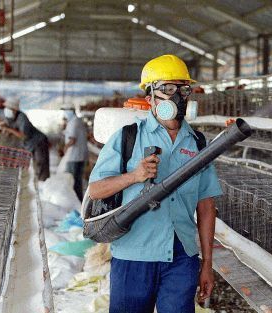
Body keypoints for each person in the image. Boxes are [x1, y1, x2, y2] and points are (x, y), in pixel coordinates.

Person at [89, 54, 222, 313]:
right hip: (134, 254)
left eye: (184, 89)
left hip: (181, 257)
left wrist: (207, 264)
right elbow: (96, 190)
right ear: (149, 98)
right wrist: (134, 176)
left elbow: (206, 206)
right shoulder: (128, 137)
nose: (177, 97)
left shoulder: (197, 143)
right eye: (167, 89)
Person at [1, 97, 50, 181]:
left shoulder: (22, 117)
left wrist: (9, 130)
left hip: (39, 141)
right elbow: (11, 128)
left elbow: (24, 136)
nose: (6, 110)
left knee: (40, 163)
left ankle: (43, 183)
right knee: (36, 163)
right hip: (31, 143)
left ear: (14, 110)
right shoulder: (11, 118)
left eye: (9, 108)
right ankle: (39, 182)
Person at [62, 107, 88, 201]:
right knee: (77, 181)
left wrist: (65, 147)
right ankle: (78, 201)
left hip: (74, 156)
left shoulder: (73, 122)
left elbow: (72, 140)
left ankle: (77, 202)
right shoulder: (76, 121)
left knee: (73, 181)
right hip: (79, 156)